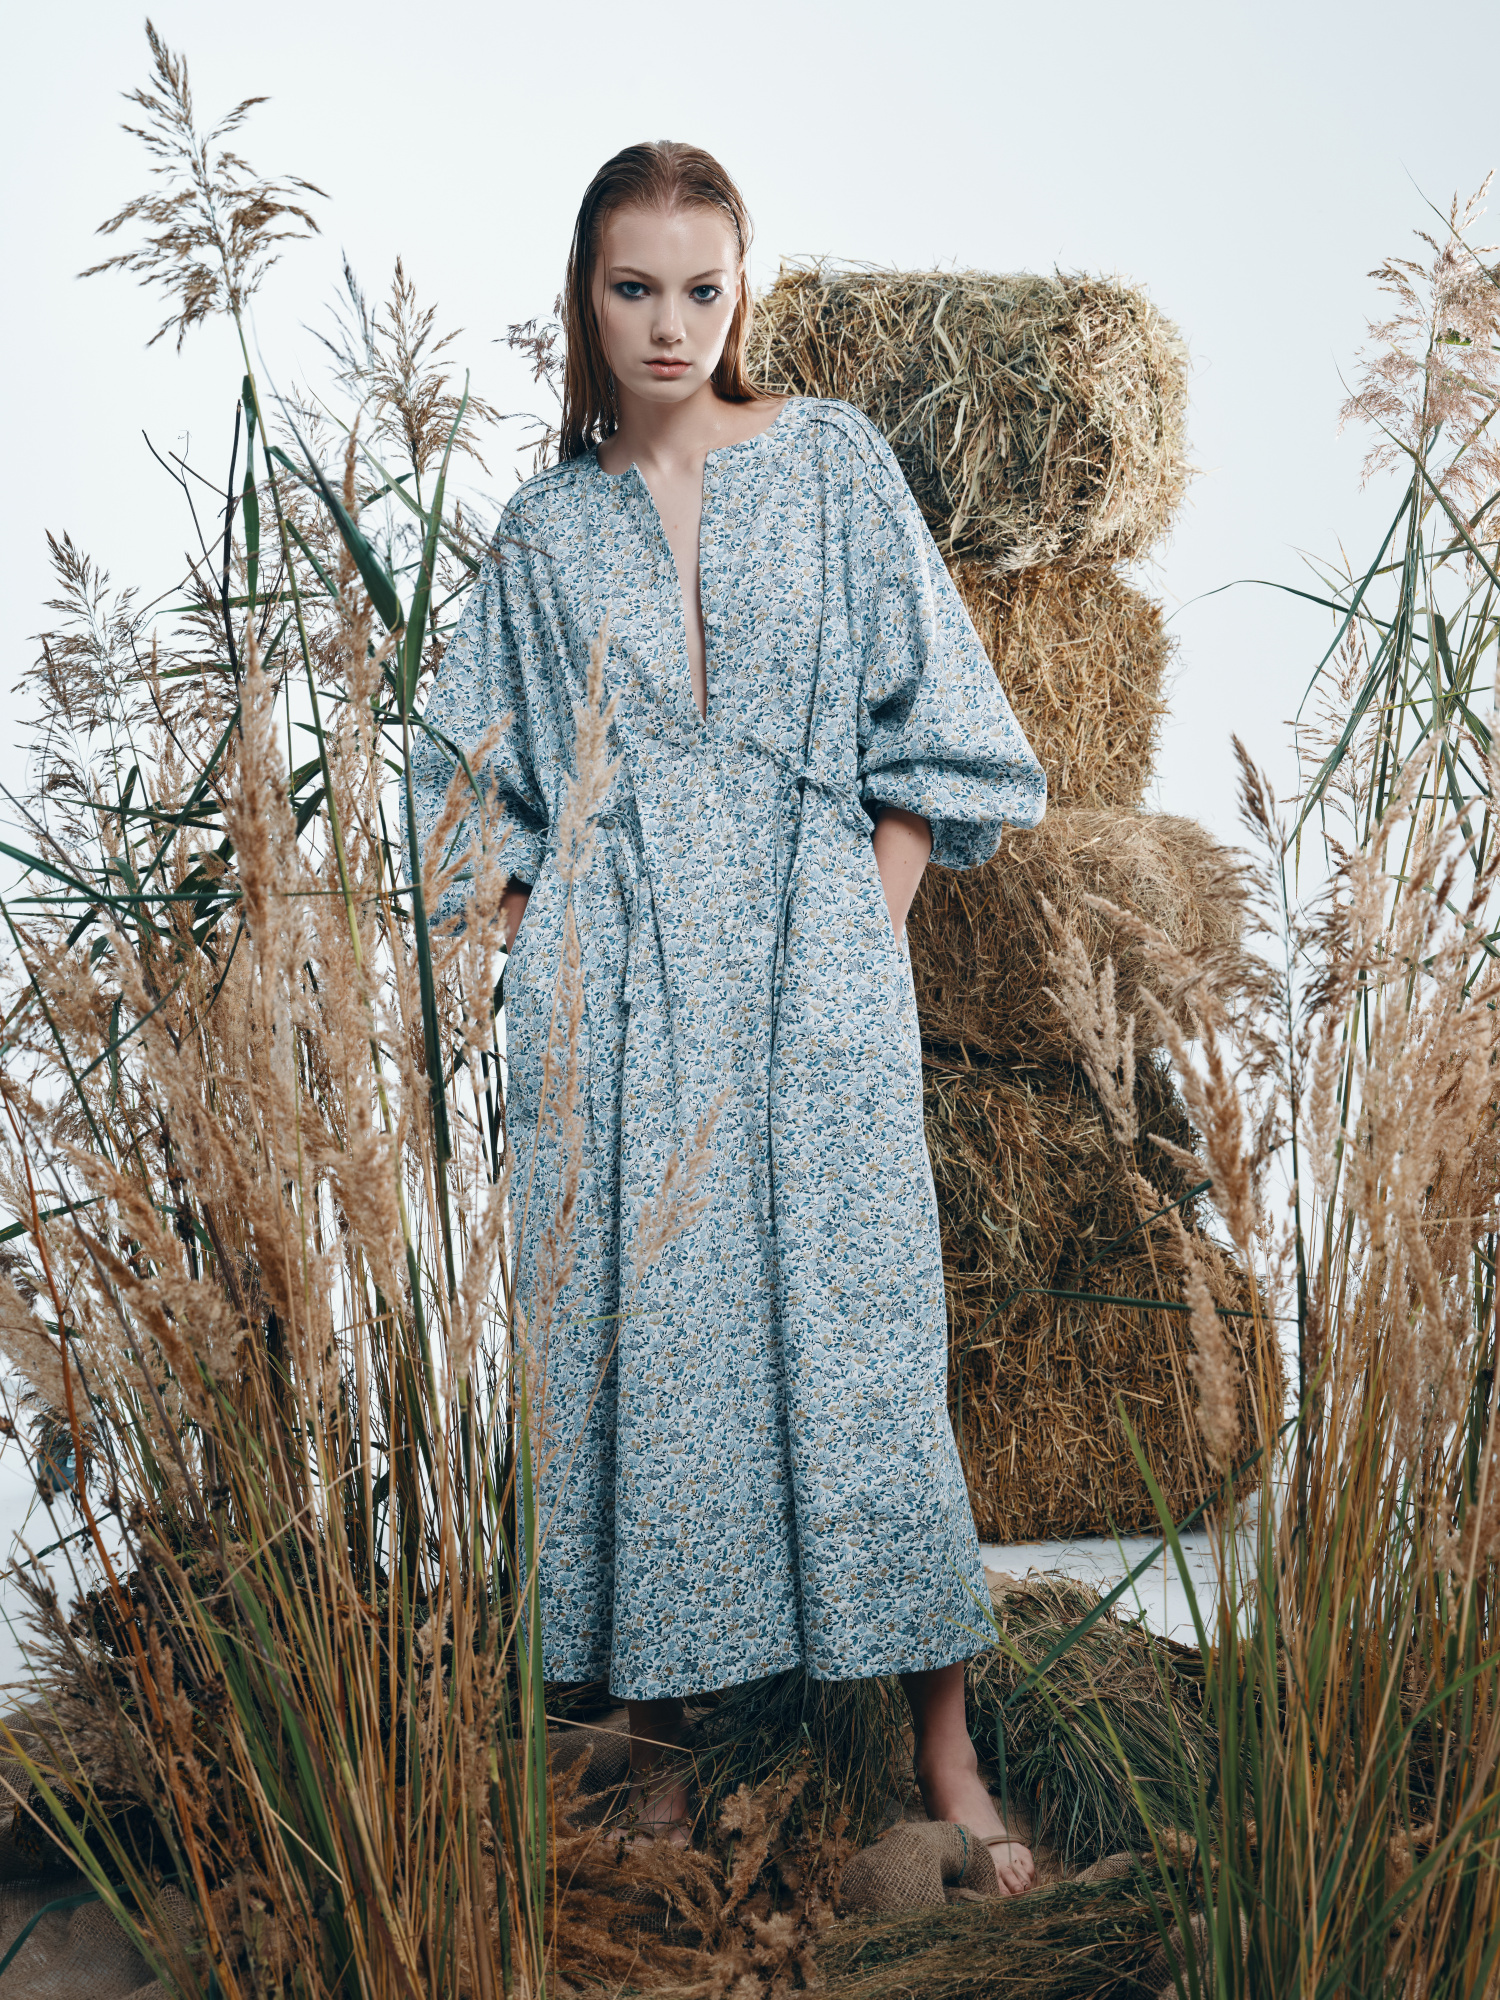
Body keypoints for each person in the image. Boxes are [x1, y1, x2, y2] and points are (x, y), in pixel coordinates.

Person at [410, 141, 1045, 1892]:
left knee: (868, 1344)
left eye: (702, 286)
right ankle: (660, 1766)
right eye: (634, 287)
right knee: (638, 1357)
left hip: (811, 957)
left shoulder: (834, 463)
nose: (670, 323)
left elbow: (944, 721)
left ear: (742, 288)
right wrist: (547, 943)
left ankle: (943, 1752)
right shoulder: (544, 531)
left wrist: (862, 924)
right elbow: (459, 782)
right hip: (619, 1001)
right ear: (585, 295)